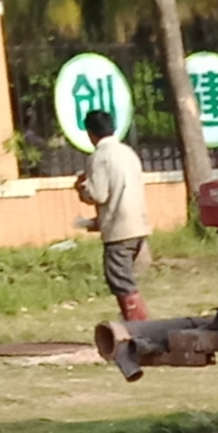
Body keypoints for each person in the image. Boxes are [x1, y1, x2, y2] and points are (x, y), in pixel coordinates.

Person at [75, 109, 151, 322]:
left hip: (119, 228)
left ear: (90, 133)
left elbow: (98, 194)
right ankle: (133, 321)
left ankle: (139, 325)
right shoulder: (128, 152)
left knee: (119, 279)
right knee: (124, 277)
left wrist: (82, 187)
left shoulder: (99, 157)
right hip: (138, 224)